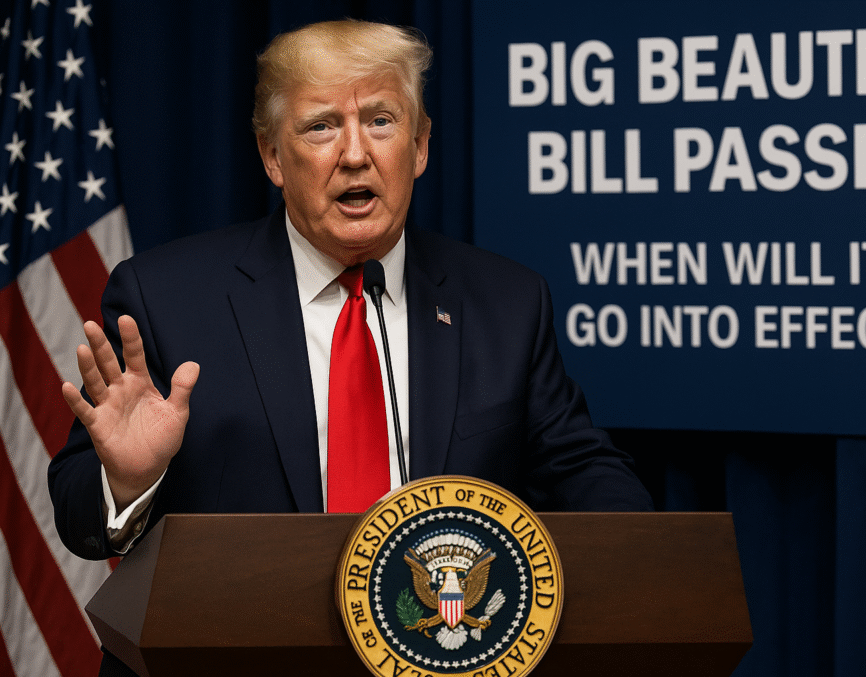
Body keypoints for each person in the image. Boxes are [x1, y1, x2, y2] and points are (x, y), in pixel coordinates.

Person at [50, 19, 651, 566]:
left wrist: (649, 558)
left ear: (418, 147)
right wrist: (127, 481)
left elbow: (581, 469)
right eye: (321, 127)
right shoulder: (165, 298)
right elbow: (78, 519)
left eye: (381, 121)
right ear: (272, 157)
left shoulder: (508, 303)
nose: (356, 155)